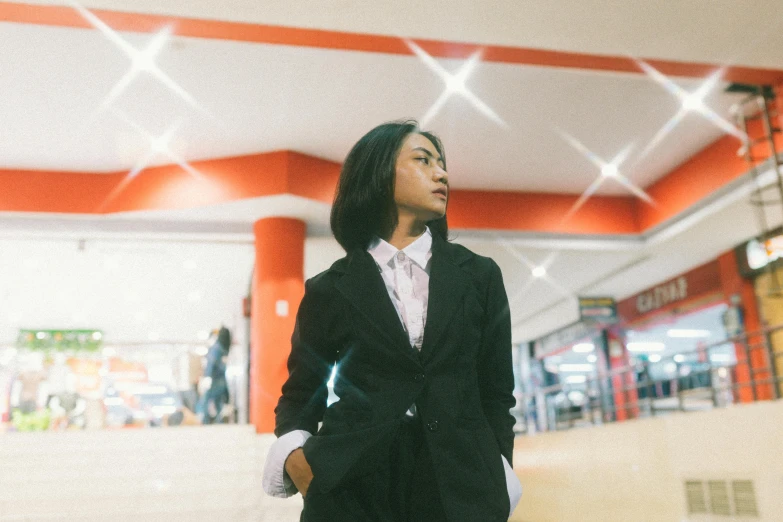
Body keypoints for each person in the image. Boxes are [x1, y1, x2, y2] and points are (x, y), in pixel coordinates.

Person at [262, 120, 522, 521]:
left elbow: (497, 392)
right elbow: (300, 395)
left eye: (441, 163)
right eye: (423, 160)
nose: (442, 173)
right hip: (353, 486)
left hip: (461, 486)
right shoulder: (330, 288)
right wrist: (298, 460)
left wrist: (497, 470)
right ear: (378, 173)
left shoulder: (480, 276)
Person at [197, 326, 231, 424]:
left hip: (214, 379)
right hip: (221, 380)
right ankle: (219, 421)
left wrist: (207, 377)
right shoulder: (224, 348)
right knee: (218, 403)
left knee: (205, 400)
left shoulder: (216, 348)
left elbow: (211, 364)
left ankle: (204, 421)